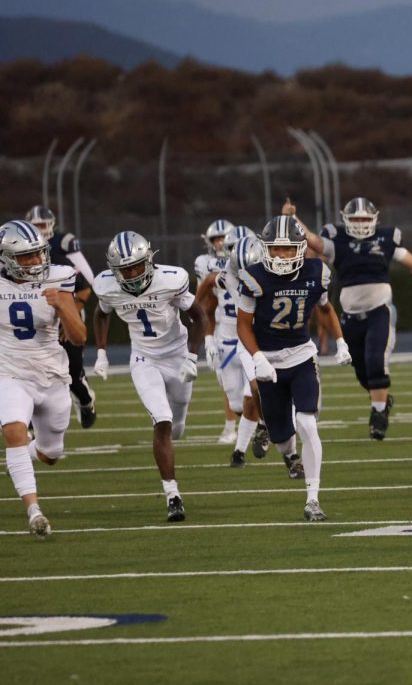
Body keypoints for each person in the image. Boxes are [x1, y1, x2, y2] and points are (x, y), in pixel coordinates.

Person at [283, 198, 412, 441]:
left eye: (365, 219)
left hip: (379, 311)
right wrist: (292, 218)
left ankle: (378, 416)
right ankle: (382, 402)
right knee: (361, 370)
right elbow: (311, 239)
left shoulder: (386, 239)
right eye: (356, 219)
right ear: (346, 219)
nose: (361, 224)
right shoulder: (338, 242)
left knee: (376, 361)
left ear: (374, 219)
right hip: (350, 317)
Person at [236, 216, 353, 521]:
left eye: (289, 249)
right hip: (269, 363)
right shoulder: (253, 277)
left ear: (300, 248)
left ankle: (312, 499)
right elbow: (243, 326)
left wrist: (341, 341)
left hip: (302, 357)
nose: (283, 255)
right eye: (276, 249)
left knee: (308, 423)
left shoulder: (317, 272)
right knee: (281, 437)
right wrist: (257, 357)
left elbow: (326, 309)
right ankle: (290, 456)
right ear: (266, 250)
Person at [93, 231, 208, 522]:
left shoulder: (170, 279)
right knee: (162, 420)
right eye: (125, 269)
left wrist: (192, 357)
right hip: (144, 358)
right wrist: (102, 353)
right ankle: (173, 495)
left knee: (178, 419)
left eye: (136, 266)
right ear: (113, 269)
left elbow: (201, 317)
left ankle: (175, 424)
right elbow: (101, 314)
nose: (132, 274)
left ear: (149, 261)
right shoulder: (107, 286)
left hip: (177, 353)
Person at [0, 220, 87, 536]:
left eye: (37, 254)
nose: (35, 262)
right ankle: (34, 511)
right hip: (10, 374)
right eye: (26, 257)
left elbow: (79, 337)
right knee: (13, 431)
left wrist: (64, 307)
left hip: (51, 376)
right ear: (7, 258)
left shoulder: (60, 277)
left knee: (51, 454)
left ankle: (25, 456)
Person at [195, 226, 273, 469]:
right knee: (239, 404)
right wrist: (196, 314)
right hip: (226, 341)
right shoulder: (225, 273)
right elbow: (206, 291)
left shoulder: (266, 272)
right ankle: (254, 433)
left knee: (254, 389)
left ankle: (256, 435)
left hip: (251, 339)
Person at [25, 205, 98, 429]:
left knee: (72, 373)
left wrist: (69, 315)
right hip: (34, 322)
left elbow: (85, 286)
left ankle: (85, 401)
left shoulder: (59, 260)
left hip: (63, 315)